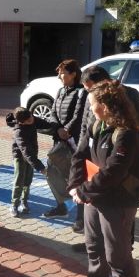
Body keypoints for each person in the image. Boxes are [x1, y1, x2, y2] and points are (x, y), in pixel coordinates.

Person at [66, 80, 139, 277]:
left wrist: (82, 191)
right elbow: (79, 155)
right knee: (94, 246)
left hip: (118, 203)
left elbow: (113, 173)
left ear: (106, 106)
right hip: (93, 199)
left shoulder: (127, 134)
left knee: (118, 257)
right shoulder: (96, 124)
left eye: (93, 105)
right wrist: (75, 185)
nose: (90, 109)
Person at [70, 65, 139, 235]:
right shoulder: (92, 99)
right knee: (95, 207)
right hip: (98, 158)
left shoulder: (129, 96)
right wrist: (83, 147)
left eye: (89, 87)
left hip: (124, 162)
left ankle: (125, 243)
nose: (87, 93)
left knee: (121, 210)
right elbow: (86, 122)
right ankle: (94, 238)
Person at [43, 59, 87, 219]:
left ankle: (82, 217)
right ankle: (62, 205)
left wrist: (66, 129)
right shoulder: (61, 91)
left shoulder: (82, 92)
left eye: (62, 73)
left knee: (76, 176)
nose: (59, 76)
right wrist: (58, 129)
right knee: (53, 170)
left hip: (73, 141)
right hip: (59, 139)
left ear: (73, 74)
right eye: (59, 73)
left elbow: (79, 115)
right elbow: (53, 112)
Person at [6, 107, 49, 217]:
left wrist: (58, 127)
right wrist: (41, 168)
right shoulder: (18, 131)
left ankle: (24, 202)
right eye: (29, 120)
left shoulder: (31, 119)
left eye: (31, 117)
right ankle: (14, 205)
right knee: (19, 180)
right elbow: (26, 152)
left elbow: (46, 124)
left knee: (28, 180)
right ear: (22, 122)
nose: (32, 120)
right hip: (20, 157)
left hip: (32, 156)